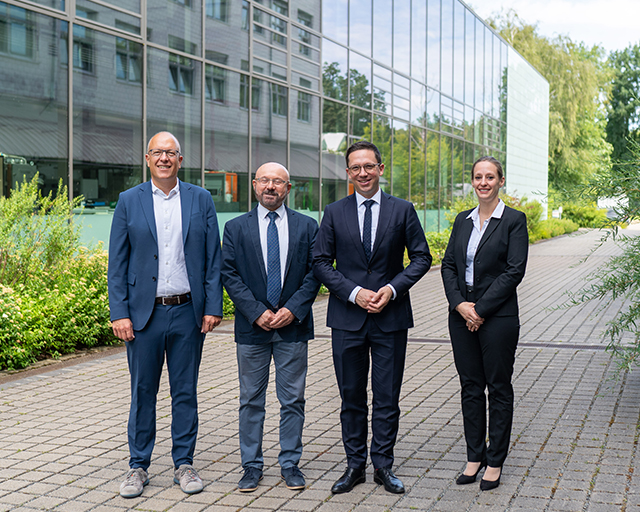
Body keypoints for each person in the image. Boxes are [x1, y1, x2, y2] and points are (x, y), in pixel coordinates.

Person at [108, 131, 223, 498]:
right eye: (157, 152)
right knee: (143, 392)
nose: (163, 159)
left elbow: (213, 260)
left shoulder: (200, 199)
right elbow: (117, 263)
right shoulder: (129, 200)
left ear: (180, 159)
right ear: (147, 158)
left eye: (170, 153)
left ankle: (184, 464)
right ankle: (137, 466)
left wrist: (213, 307)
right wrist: (119, 312)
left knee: (185, 392)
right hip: (144, 317)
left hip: (188, 312)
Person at [312, 141, 432, 494]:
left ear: (380, 168)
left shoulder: (403, 210)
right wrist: (354, 292)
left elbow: (421, 257)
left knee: (386, 397)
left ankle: (383, 465)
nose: (362, 173)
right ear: (348, 173)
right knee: (351, 397)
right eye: (355, 168)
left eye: (369, 166)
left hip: (390, 318)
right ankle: (354, 466)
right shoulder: (334, 212)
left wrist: (392, 290)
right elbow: (320, 261)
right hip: (347, 318)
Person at [221, 162, 320, 493]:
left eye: (278, 181)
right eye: (264, 180)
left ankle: (290, 462)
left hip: (293, 327)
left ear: (288, 189)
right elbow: (229, 274)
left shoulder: (307, 226)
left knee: (293, 399)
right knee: (251, 398)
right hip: (253, 329)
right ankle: (251, 465)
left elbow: (315, 271)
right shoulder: (235, 228)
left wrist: (292, 309)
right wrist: (255, 312)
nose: (270, 186)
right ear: (254, 185)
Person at [440, 156, 528, 491]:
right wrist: (461, 305)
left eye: (490, 177)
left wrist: (480, 310)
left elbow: (514, 270)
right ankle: (474, 456)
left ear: (500, 181)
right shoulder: (463, 220)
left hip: (499, 317)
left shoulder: (514, 221)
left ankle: (495, 460)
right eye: (478, 177)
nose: (483, 183)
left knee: (499, 387)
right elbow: (448, 264)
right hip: (461, 315)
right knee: (471, 387)